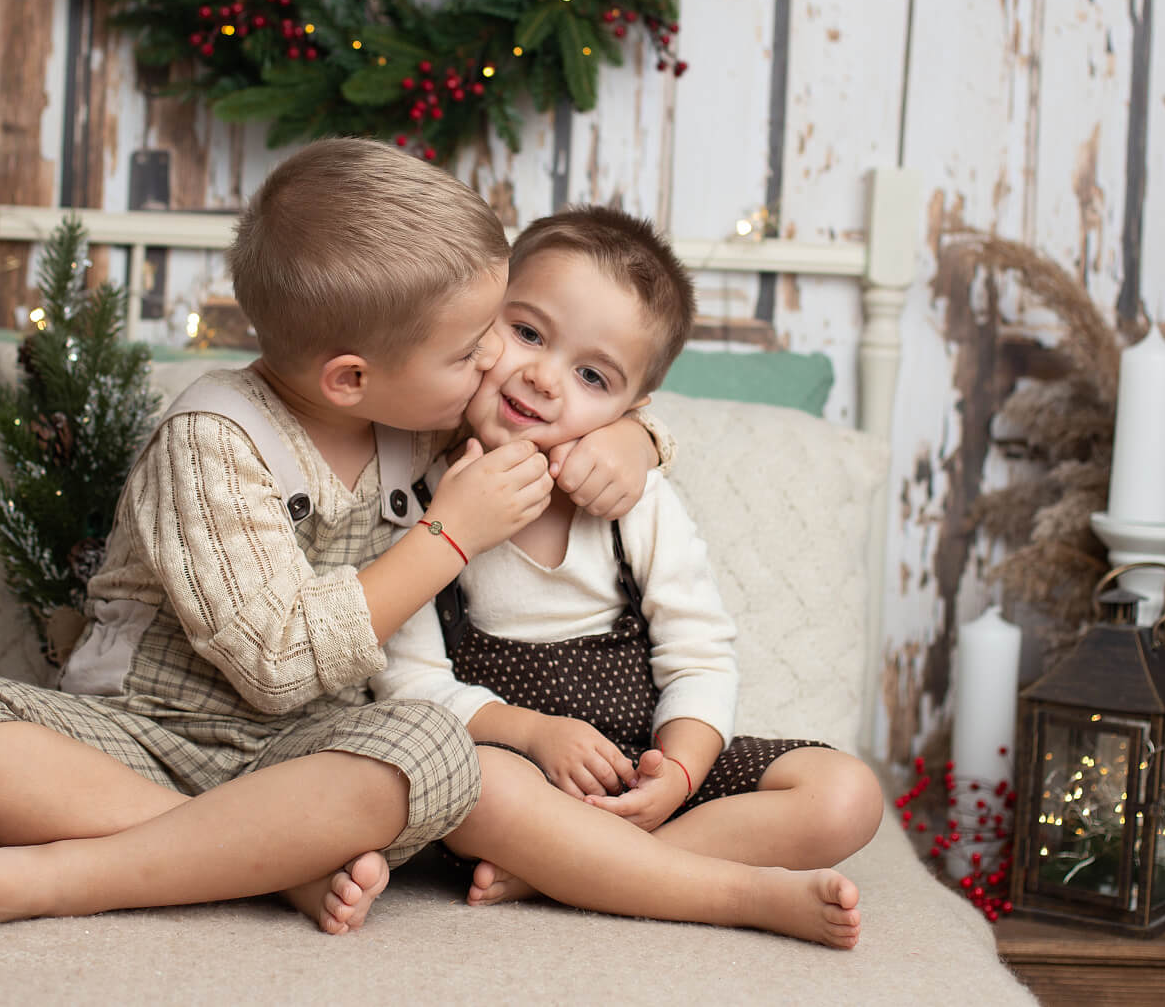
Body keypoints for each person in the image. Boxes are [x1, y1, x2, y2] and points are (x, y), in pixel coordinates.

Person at [0, 139, 663, 938]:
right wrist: (446, 536)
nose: (496, 356)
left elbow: (563, 413)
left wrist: (637, 438)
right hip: (138, 737)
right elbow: (278, 662)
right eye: (469, 348)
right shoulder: (211, 440)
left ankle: (108, 866)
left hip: (307, 756)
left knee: (436, 749)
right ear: (350, 378)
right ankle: (259, 857)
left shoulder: (423, 408)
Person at [374, 205, 885, 923]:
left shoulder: (636, 502)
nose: (545, 378)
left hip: (641, 764)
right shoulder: (423, 491)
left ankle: (580, 870)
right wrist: (532, 733)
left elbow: (700, 655)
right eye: (525, 332)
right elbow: (410, 685)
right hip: (517, 781)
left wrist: (675, 772)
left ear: (630, 408)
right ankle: (728, 893)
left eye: (591, 374)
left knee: (846, 792)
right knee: (463, 783)